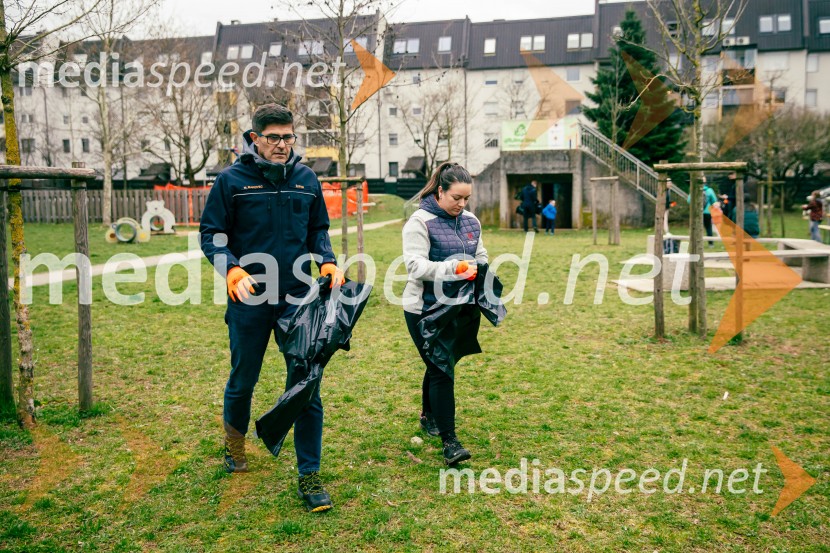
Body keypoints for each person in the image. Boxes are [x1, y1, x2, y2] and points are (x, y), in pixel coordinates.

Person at [199, 103, 345, 513]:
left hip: (298, 299)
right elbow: (212, 233)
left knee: (306, 383)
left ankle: (309, 475)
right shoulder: (231, 181)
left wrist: (327, 259)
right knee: (244, 377)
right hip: (249, 299)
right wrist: (230, 270)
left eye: (288, 137)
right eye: (273, 137)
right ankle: (234, 445)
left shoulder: (306, 179)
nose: (282, 144)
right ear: (255, 139)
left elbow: (318, 228)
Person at [402, 162, 488, 465]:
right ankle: (450, 442)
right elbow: (414, 266)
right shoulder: (419, 221)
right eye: (456, 198)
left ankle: (428, 415)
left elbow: (480, 255)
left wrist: (478, 269)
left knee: (439, 361)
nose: (462, 205)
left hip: (457, 307)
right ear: (440, 191)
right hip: (422, 309)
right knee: (441, 368)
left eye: (466, 199)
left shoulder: (470, 221)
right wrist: (455, 268)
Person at [688, 177, 718, 247]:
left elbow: (689, 200)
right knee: (709, 228)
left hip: (697, 212)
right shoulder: (710, 190)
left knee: (696, 227)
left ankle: (695, 243)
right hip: (707, 212)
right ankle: (711, 244)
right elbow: (714, 201)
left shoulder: (694, 189)